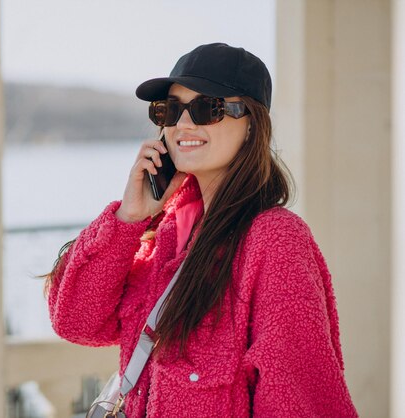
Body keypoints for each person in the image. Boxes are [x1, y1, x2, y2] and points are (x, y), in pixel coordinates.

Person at [41, 43, 358, 417]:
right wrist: (129, 218)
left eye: (208, 108)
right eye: (171, 110)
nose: (183, 124)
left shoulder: (275, 241)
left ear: (252, 123)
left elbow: (299, 402)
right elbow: (76, 321)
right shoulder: (170, 238)